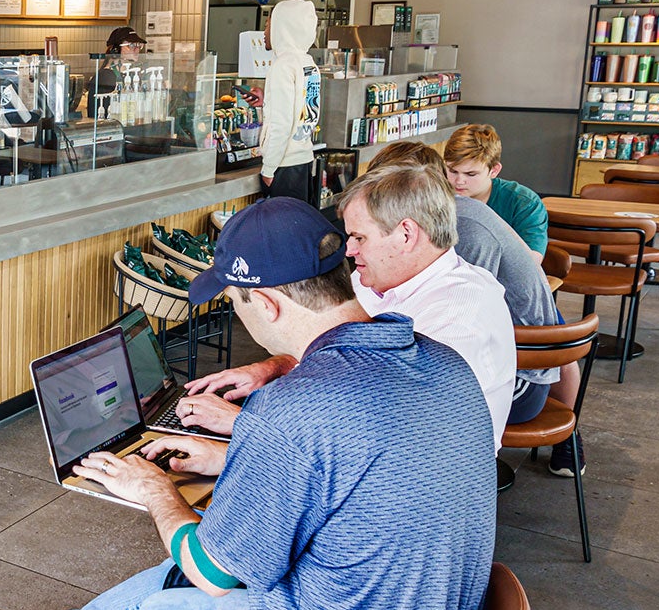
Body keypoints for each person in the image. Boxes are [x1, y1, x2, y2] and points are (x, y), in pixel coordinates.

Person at [0, 198, 496, 610]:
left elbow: (210, 570)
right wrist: (245, 447)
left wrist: (156, 490)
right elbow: (356, 464)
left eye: (237, 301)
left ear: (266, 302)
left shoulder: (298, 408)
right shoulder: (443, 364)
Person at [189, 164, 516, 450]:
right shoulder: (378, 278)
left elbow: (382, 442)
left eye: (360, 237)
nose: (349, 250)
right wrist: (276, 365)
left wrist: (246, 427)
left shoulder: (458, 319)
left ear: (406, 234)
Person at [369, 141, 584, 478]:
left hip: (525, 373)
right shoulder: (445, 217)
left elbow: (450, 330)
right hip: (519, 351)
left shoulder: (464, 229)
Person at [443, 123, 548, 263]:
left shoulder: (524, 202)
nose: (459, 181)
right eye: (453, 171)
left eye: (471, 174)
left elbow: (531, 263)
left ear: (494, 170)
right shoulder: (437, 196)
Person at [257, 0, 321, 203]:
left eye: (268, 25)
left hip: (283, 167)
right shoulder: (308, 63)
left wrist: (268, 168)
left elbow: (281, 124)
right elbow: (305, 110)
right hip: (303, 160)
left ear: (283, 27)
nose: (265, 32)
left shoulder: (282, 66)